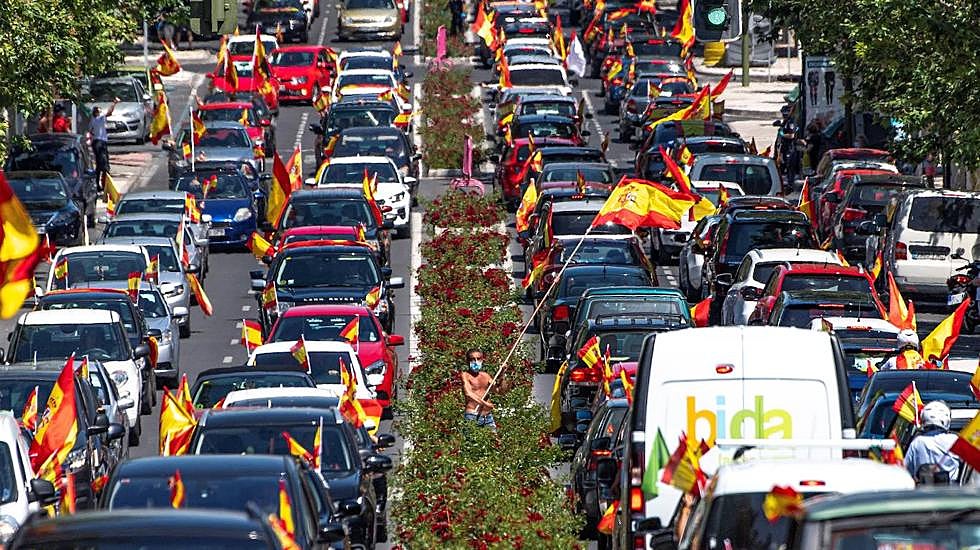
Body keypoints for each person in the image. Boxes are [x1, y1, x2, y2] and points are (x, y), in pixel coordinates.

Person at [904, 401, 961, 484]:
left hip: (923, 493)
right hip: (953, 493)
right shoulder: (954, 440)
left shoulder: (917, 442)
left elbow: (907, 471)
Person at [89, 98, 120, 191]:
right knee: (105, 165)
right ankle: (105, 185)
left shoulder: (92, 120)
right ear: (97, 113)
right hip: (100, 143)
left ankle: (98, 184)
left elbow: (90, 131)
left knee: (99, 165)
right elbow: (109, 113)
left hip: (96, 142)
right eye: (99, 111)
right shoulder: (99, 118)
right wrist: (114, 103)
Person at [461, 348, 496, 429]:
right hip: (472, 415)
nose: (476, 362)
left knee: (494, 441)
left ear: (482, 360)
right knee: (471, 440)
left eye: (478, 359)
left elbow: (498, 390)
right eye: (472, 359)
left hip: (487, 417)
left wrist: (502, 374)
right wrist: (485, 403)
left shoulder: (486, 375)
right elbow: (468, 394)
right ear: (467, 361)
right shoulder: (465, 375)